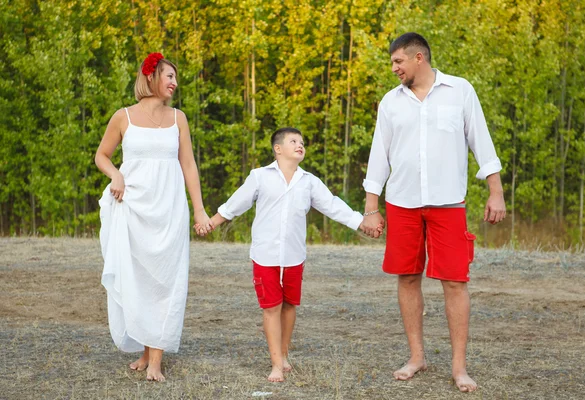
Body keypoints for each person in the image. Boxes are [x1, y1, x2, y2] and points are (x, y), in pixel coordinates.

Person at [360, 33, 506, 393]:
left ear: (419, 58)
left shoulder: (459, 91)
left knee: (454, 282)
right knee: (407, 277)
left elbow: (481, 140)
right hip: (402, 203)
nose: (394, 69)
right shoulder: (390, 103)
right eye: (393, 63)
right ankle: (417, 357)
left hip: (448, 203)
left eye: (398, 62)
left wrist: (495, 191)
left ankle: (459, 367)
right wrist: (371, 208)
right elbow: (379, 155)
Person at [195, 127, 379, 382]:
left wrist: (362, 222)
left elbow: (333, 205)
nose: (300, 145)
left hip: (294, 256)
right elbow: (236, 203)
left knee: (290, 305)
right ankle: (275, 365)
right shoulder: (259, 177)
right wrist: (210, 223)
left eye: (302, 142)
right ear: (278, 149)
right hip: (265, 255)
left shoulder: (309, 182)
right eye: (293, 141)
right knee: (272, 307)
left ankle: (283, 354)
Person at [95, 52, 212, 382]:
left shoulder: (179, 119)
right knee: (140, 278)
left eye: (176, 77)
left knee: (165, 278)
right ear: (150, 77)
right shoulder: (124, 117)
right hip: (133, 207)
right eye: (169, 76)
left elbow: (188, 165)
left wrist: (199, 209)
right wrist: (115, 175)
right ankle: (146, 353)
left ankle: (156, 360)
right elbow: (101, 156)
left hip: (169, 208)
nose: (175, 82)